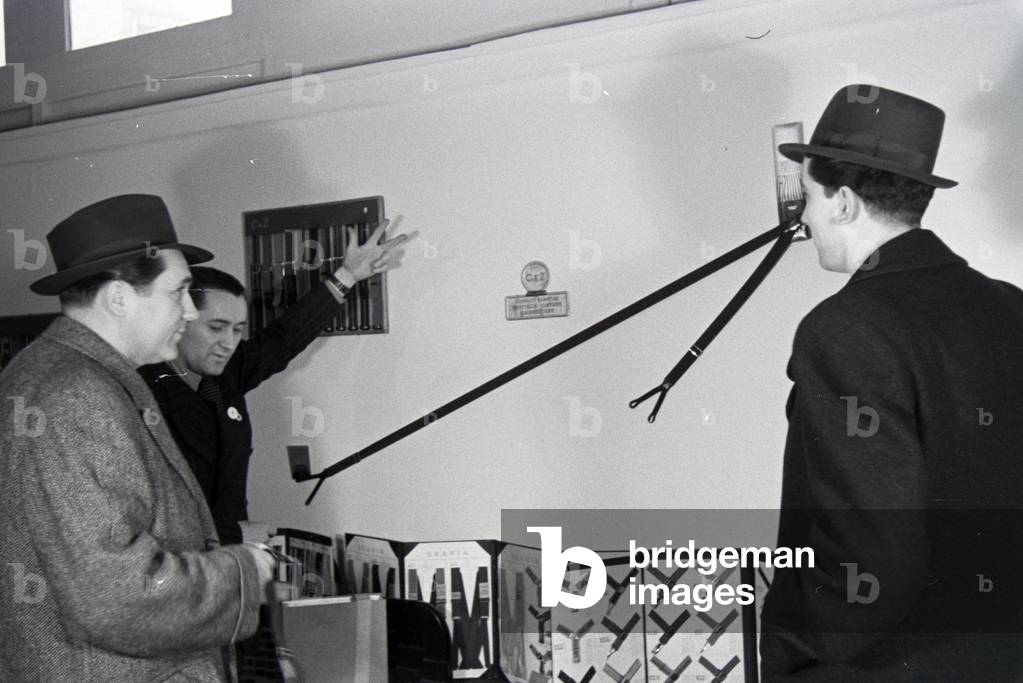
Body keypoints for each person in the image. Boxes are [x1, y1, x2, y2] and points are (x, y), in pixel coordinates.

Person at [759, 84, 1023, 680]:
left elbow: (874, 552)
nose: (804, 219)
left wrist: (785, 646)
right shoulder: (1011, 307)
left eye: (809, 199)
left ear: (844, 203)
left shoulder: (844, 327)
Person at [0, 194, 277, 681]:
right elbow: (118, 597)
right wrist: (243, 572)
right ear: (119, 298)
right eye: (179, 292)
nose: (188, 311)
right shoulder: (74, 394)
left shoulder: (68, 374)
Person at [138, 221, 407, 544]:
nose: (228, 343)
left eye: (238, 329)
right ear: (181, 321)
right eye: (216, 328)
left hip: (231, 562)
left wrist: (347, 275)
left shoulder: (227, 374)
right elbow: (148, 522)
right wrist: (234, 535)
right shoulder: (141, 392)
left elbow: (284, 338)